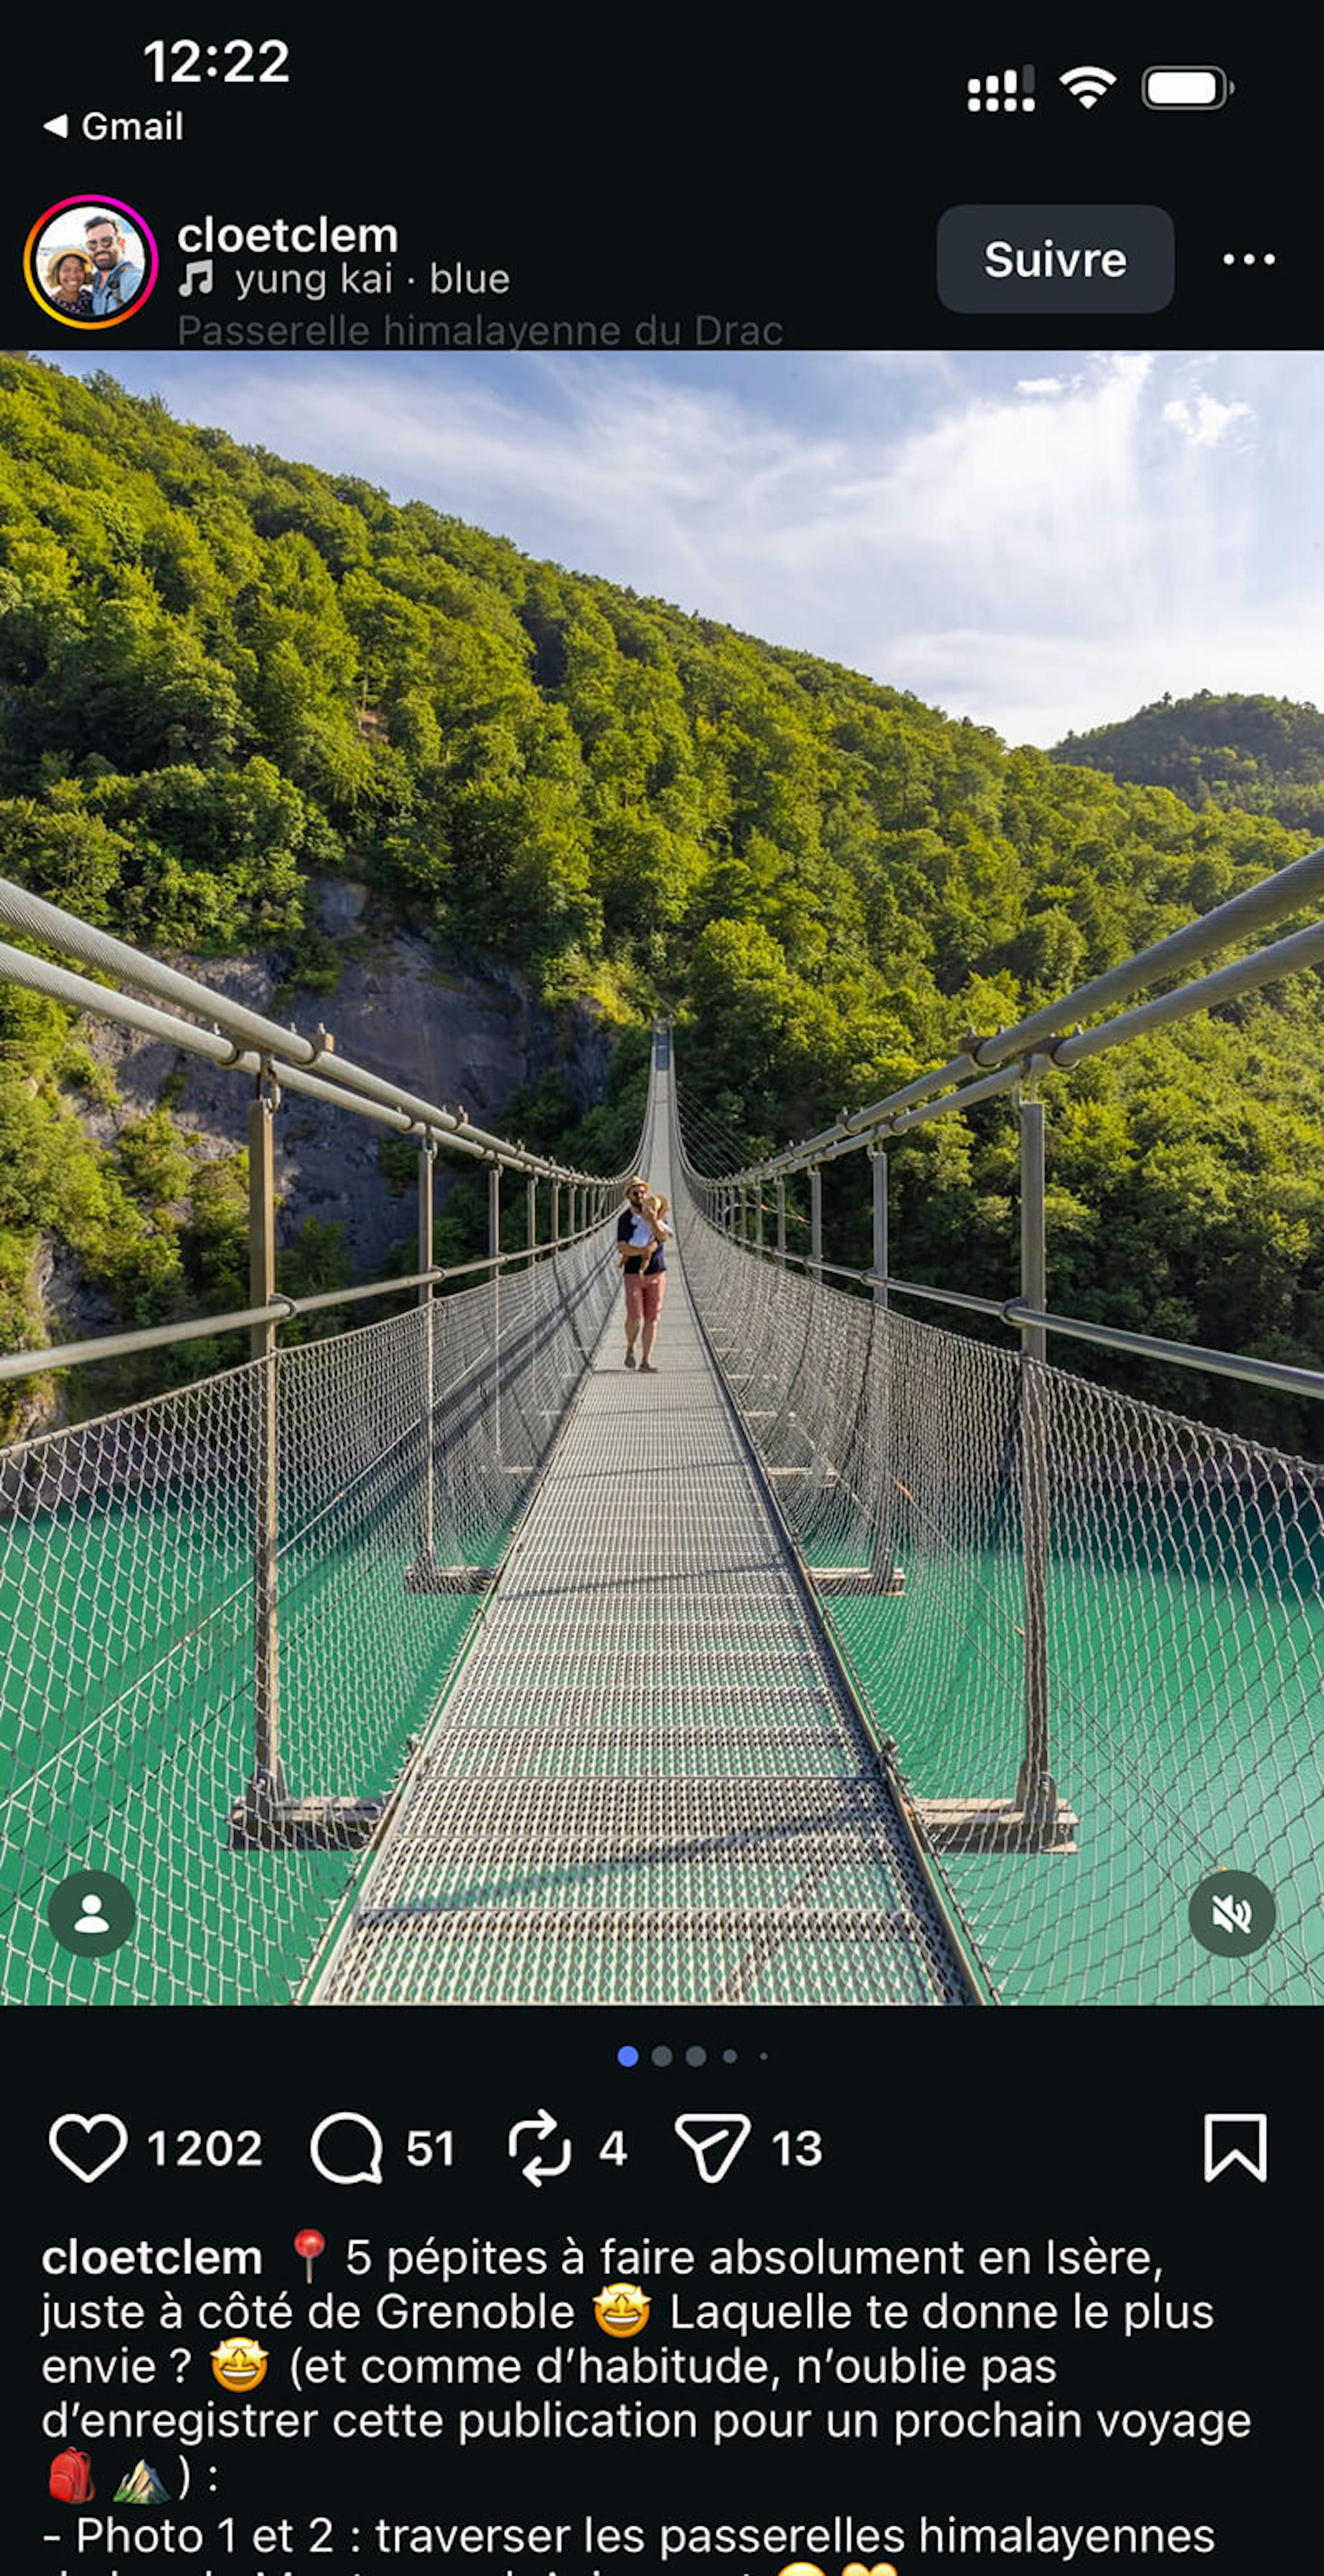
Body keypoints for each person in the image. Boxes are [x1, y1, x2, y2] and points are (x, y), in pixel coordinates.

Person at [616, 1178, 669, 1373]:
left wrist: (654, 1220)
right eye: (635, 1193)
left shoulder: (658, 1215)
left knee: (652, 1318)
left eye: (642, 1193)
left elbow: (663, 1238)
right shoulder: (624, 1220)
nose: (640, 1196)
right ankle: (631, 1347)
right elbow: (622, 1247)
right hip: (633, 1275)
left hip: (657, 1272)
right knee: (634, 1317)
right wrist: (644, 1251)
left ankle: (646, 1361)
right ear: (629, 1197)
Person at [84, 213, 143, 317]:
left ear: (121, 244)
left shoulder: (130, 279)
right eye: (93, 244)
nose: (100, 249)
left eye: (107, 242)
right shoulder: (95, 281)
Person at [44, 247, 95, 318]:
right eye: (67, 270)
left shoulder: (89, 298)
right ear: (57, 274)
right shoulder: (50, 307)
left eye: (79, 270)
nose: (74, 276)